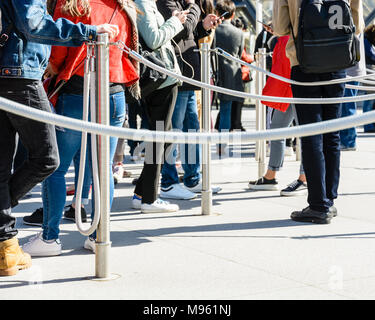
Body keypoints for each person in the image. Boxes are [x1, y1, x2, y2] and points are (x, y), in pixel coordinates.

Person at [0, 0, 117, 275]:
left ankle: (5, 246)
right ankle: (4, 241)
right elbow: (34, 24)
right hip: (20, 72)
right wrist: (87, 32)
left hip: (12, 71)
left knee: (3, 164)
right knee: (47, 158)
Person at [22, 0, 136, 256]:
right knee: (103, 170)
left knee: (56, 168)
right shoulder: (124, 4)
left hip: (77, 91)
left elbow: (57, 57)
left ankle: (49, 238)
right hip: (115, 92)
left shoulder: (72, 3)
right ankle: (99, 236)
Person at [273, 0, 364, 224]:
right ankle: (329, 199)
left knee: (311, 133)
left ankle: (317, 204)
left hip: (305, 62)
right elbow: (358, 25)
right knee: (332, 132)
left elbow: (280, 28)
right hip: (337, 61)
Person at [157, 0, 221, 200]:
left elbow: (190, 33)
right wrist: (195, 7)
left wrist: (203, 26)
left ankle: (192, 178)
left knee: (191, 129)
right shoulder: (167, 2)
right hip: (177, 76)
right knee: (173, 130)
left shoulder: (183, 3)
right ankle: (168, 182)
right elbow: (183, 29)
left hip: (189, 77)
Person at [131, 0, 187, 213]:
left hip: (163, 78)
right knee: (160, 137)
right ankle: (149, 198)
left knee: (164, 137)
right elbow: (153, 39)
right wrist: (174, 22)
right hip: (160, 79)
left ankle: (142, 193)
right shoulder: (142, 3)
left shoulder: (146, 3)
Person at [249, 36, 307, 196]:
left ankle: (304, 178)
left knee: (305, 132)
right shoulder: (284, 34)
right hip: (287, 86)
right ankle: (271, 175)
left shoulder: (294, 28)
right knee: (277, 130)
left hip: (296, 84)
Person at [214, 0, 244, 156]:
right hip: (231, 75)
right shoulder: (238, 33)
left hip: (213, 72)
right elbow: (239, 55)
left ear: (217, 13)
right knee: (226, 110)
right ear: (233, 14)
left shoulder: (213, 30)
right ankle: (222, 145)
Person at [339, 32, 366, 151]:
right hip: (352, 69)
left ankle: (349, 141)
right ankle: (347, 140)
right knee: (347, 106)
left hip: (349, 70)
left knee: (347, 106)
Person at [362, 24, 375, 133]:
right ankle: (368, 125)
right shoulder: (366, 42)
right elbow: (371, 56)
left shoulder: (367, 40)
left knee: (370, 98)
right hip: (368, 73)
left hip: (369, 72)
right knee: (369, 98)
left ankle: (370, 124)